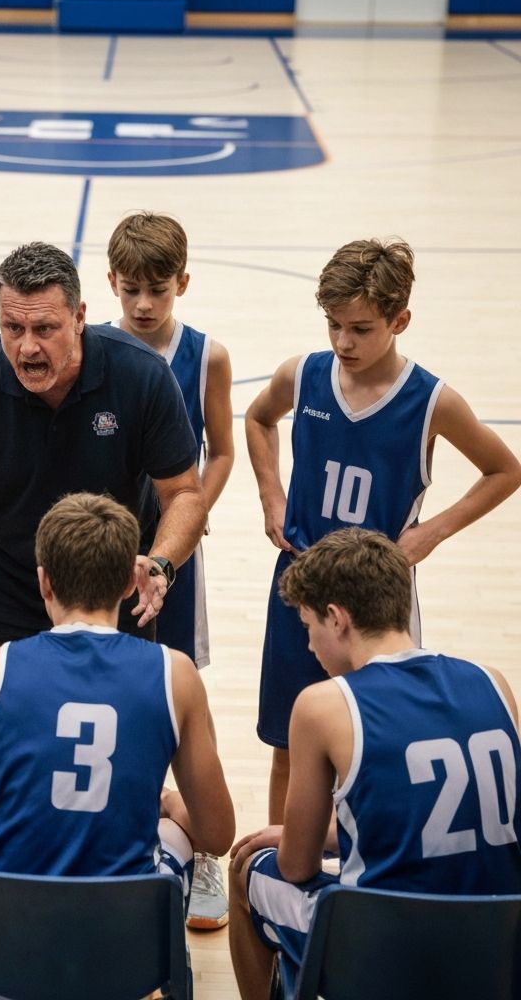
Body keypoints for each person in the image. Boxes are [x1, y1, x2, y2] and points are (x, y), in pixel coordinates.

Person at [245, 236, 521, 823]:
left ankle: (364, 870)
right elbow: (257, 417)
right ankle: (273, 875)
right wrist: (271, 494)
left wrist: (433, 532)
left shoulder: (431, 401)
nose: (344, 341)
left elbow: (506, 470)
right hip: (300, 585)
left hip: (378, 596)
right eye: (334, 325)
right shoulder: (303, 375)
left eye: (361, 328)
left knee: (379, 739)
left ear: (401, 320)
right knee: (288, 743)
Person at [0, 492, 234, 976]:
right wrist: (169, 802)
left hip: (12, 949)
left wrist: (12, 800)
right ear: (133, 582)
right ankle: (159, 958)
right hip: (120, 952)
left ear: (43, 582)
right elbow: (217, 833)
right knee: (173, 830)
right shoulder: (175, 674)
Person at [0, 241, 207, 709]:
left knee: (127, 746)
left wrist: (160, 564)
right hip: (6, 592)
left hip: (117, 588)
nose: (27, 347)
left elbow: (184, 492)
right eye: (12, 327)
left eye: (45, 328)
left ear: (79, 316)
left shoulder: (142, 375)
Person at [228, 527, 521, 1000]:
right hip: (497, 946)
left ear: (337, 618)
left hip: (384, 955)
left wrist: (299, 837)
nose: (308, 648)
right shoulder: (494, 682)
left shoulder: (324, 705)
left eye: (308, 628)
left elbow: (298, 867)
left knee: (248, 868)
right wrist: (332, 834)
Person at [108, 210, 235, 930]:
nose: (145, 304)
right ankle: (115, 821)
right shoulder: (95, 348)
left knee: (179, 695)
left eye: (158, 289)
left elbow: (221, 451)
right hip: (103, 553)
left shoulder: (205, 354)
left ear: (182, 282)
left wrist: (191, 512)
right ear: (112, 285)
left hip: (170, 553)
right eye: (131, 289)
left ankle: (200, 847)